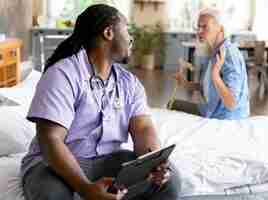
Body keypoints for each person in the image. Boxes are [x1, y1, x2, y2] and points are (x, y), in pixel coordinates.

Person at [21, 4, 180, 200]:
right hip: (54, 163)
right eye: (127, 29)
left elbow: (143, 128)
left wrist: (154, 162)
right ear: (108, 32)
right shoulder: (63, 75)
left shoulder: (129, 83)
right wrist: (85, 188)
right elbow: (50, 140)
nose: (131, 38)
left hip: (108, 160)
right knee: (52, 196)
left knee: (169, 183)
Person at [171, 7, 250, 120]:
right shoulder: (214, 52)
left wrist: (215, 76)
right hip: (210, 110)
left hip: (225, 118)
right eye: (198, 27)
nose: (199, 31)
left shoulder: (229, 55)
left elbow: (231, 103)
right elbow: (208, 87)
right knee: (173, 104)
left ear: (220, 29)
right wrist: (185, 84)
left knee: (173, 105)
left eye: (204, 26)